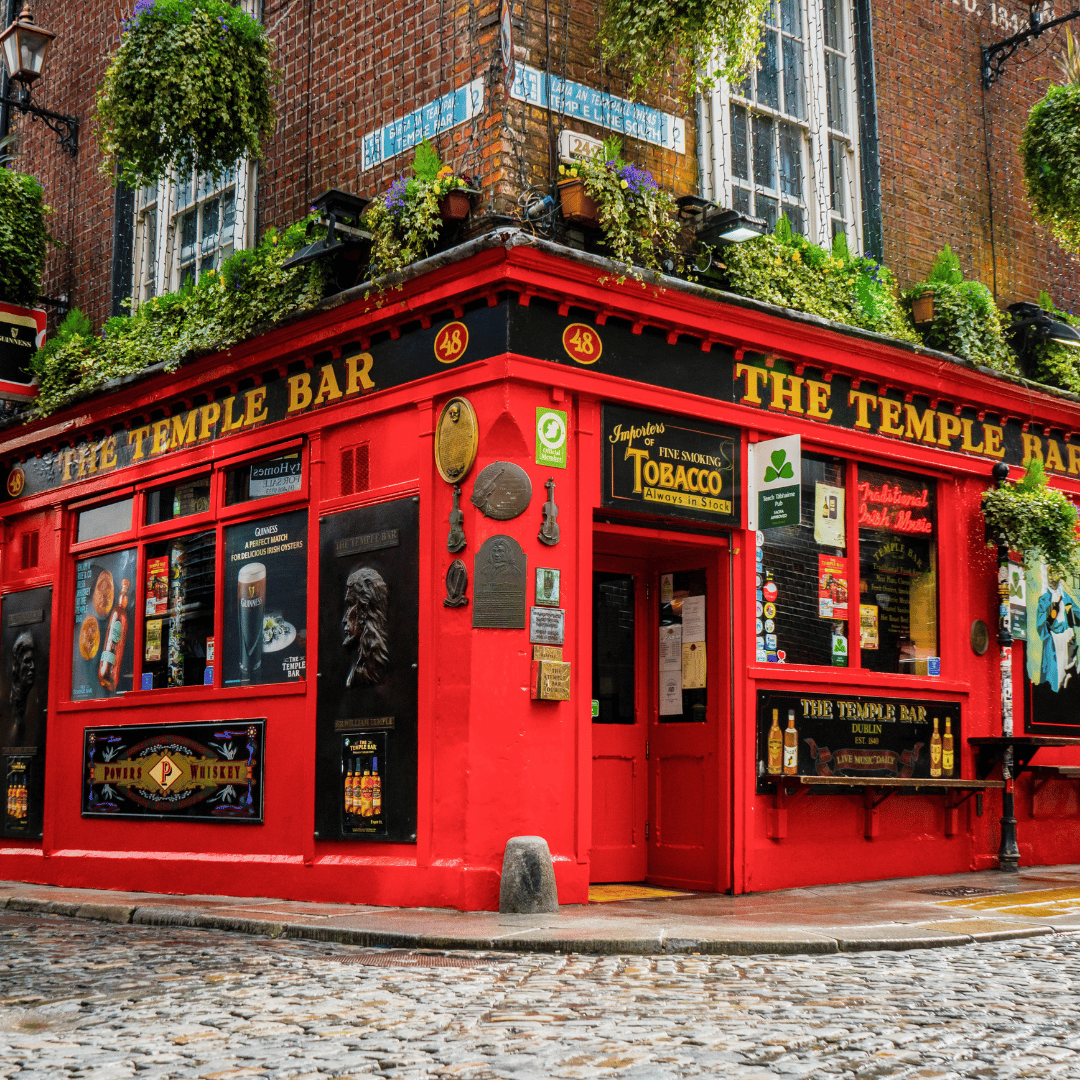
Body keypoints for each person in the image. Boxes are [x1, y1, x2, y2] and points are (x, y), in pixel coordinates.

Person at [1036, 565, 1080, 691]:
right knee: (1055, 675)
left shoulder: (1066, 597)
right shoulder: (1044, 600)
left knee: (1069, 671)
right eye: (1051, 574)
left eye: (1056, 574)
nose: (1053, 579)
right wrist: (1052, 615)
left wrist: (1071, 613)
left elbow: (1077, 616)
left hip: (1067, 638)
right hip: (1053, 642)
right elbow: (1041, 626)